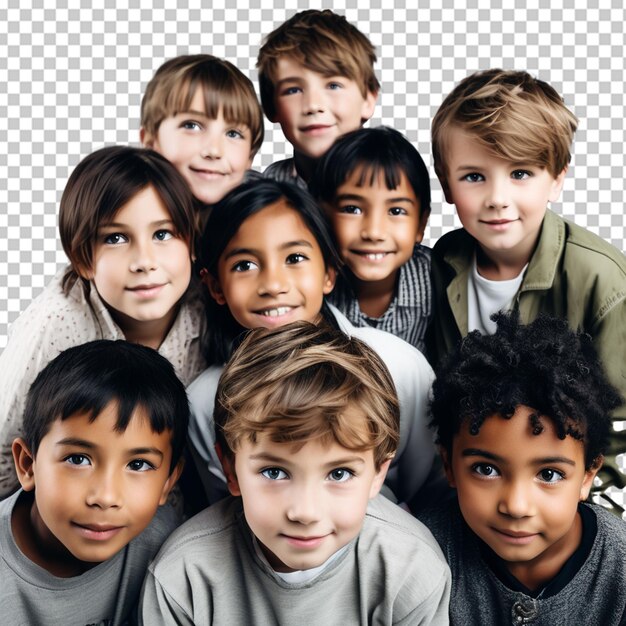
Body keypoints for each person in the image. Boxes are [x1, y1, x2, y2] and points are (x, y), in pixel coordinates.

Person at [141, 322, 451, 625]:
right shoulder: (183, 577)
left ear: (377, 473)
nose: (305, 512)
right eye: (274, 472)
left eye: (339, 474)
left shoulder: (412, 570)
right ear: (230, 470)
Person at [427, 68, 626, 509]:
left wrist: (582, 495)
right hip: (474, 481)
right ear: (445, 181)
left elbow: (620, 421)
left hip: (567, 489)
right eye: (474, 177)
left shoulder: (601, 279)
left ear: (556, 178)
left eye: (520, 173)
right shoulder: (442, 262)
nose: (497, 197)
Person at [187, 178, 436, 511]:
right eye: (244, 265)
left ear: (329, 273)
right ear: (216, 286)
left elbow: (434, 490)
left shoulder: (398, 366)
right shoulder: (205, 400)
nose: (273, 285)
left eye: (295, 258)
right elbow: (225, 508)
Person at [0, 146, 205, 498]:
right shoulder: (58, 322)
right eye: (116, 238)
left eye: (163, 234)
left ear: (191, 244)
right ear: (84, 260)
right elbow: (5, 451)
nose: (145, 261)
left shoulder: (207, 305)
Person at [420, 313, 626, 625]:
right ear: (448, 465)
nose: (516, 506)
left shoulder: (620, 568)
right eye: (486, 470)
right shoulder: (423, 553)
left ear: (587, 475)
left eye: (549, 474)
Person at [1, 339, 188, 625]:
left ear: (167, 482)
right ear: (28, 465)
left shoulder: (165, 545)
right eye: (78, 459)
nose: (105, 496)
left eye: (138, 464)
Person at [309, 126, 432, 353]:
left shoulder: (436, 279)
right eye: (352, 209)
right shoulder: (310, 282)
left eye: (396, 211)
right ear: (322, 215)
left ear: (421, 225)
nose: (374, 232)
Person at [257, 9, 378, 186]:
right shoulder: (263, 192)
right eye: (293, 90)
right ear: (271, 107)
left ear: (367, 100)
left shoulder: (399, 183)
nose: (313, 105)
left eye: (333, 86)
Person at [140, 53, 264, 225]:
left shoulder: (262, 218)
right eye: (191, 126)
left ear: (249, 156)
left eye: (233, 134)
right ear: (150, 141)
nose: (214, 151)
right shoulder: (124, 208)